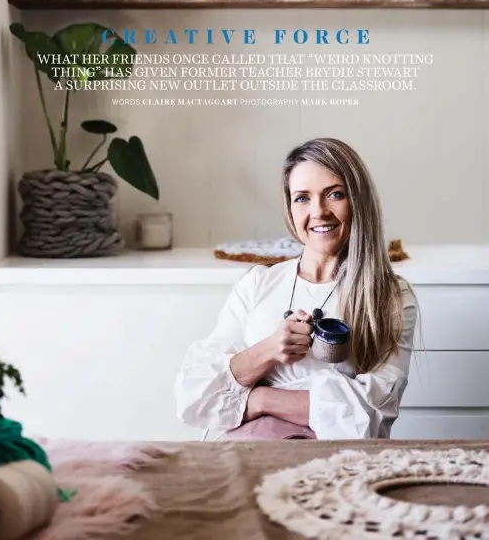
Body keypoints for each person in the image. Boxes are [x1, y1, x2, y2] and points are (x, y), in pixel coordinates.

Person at [174, 137, 418, 441]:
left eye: (335, 194)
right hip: (240, 456)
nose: (319, 212)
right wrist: (270, 349)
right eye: (302, 197)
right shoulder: (258, 284)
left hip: (333, 465)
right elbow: (196, 395)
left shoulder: (389, 296)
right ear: (290, 207)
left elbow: (370, 410)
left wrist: (259, 399)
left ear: (359, 201)